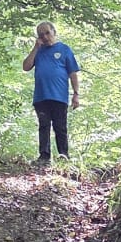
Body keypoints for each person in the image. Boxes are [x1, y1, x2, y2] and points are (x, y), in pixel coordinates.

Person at [21, 21, 80, 164]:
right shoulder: (38, 51)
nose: (45, 37)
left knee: (60, 127)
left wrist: (76, 94)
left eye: (47, 33)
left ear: (54, 32)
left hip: (59, 96)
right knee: (44, 126)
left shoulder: (64, 49)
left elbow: (73, 73)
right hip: (41, 96)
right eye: (41, 35)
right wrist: (36, 48)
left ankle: (63, 155)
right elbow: (26, 66)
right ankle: (44, 156)